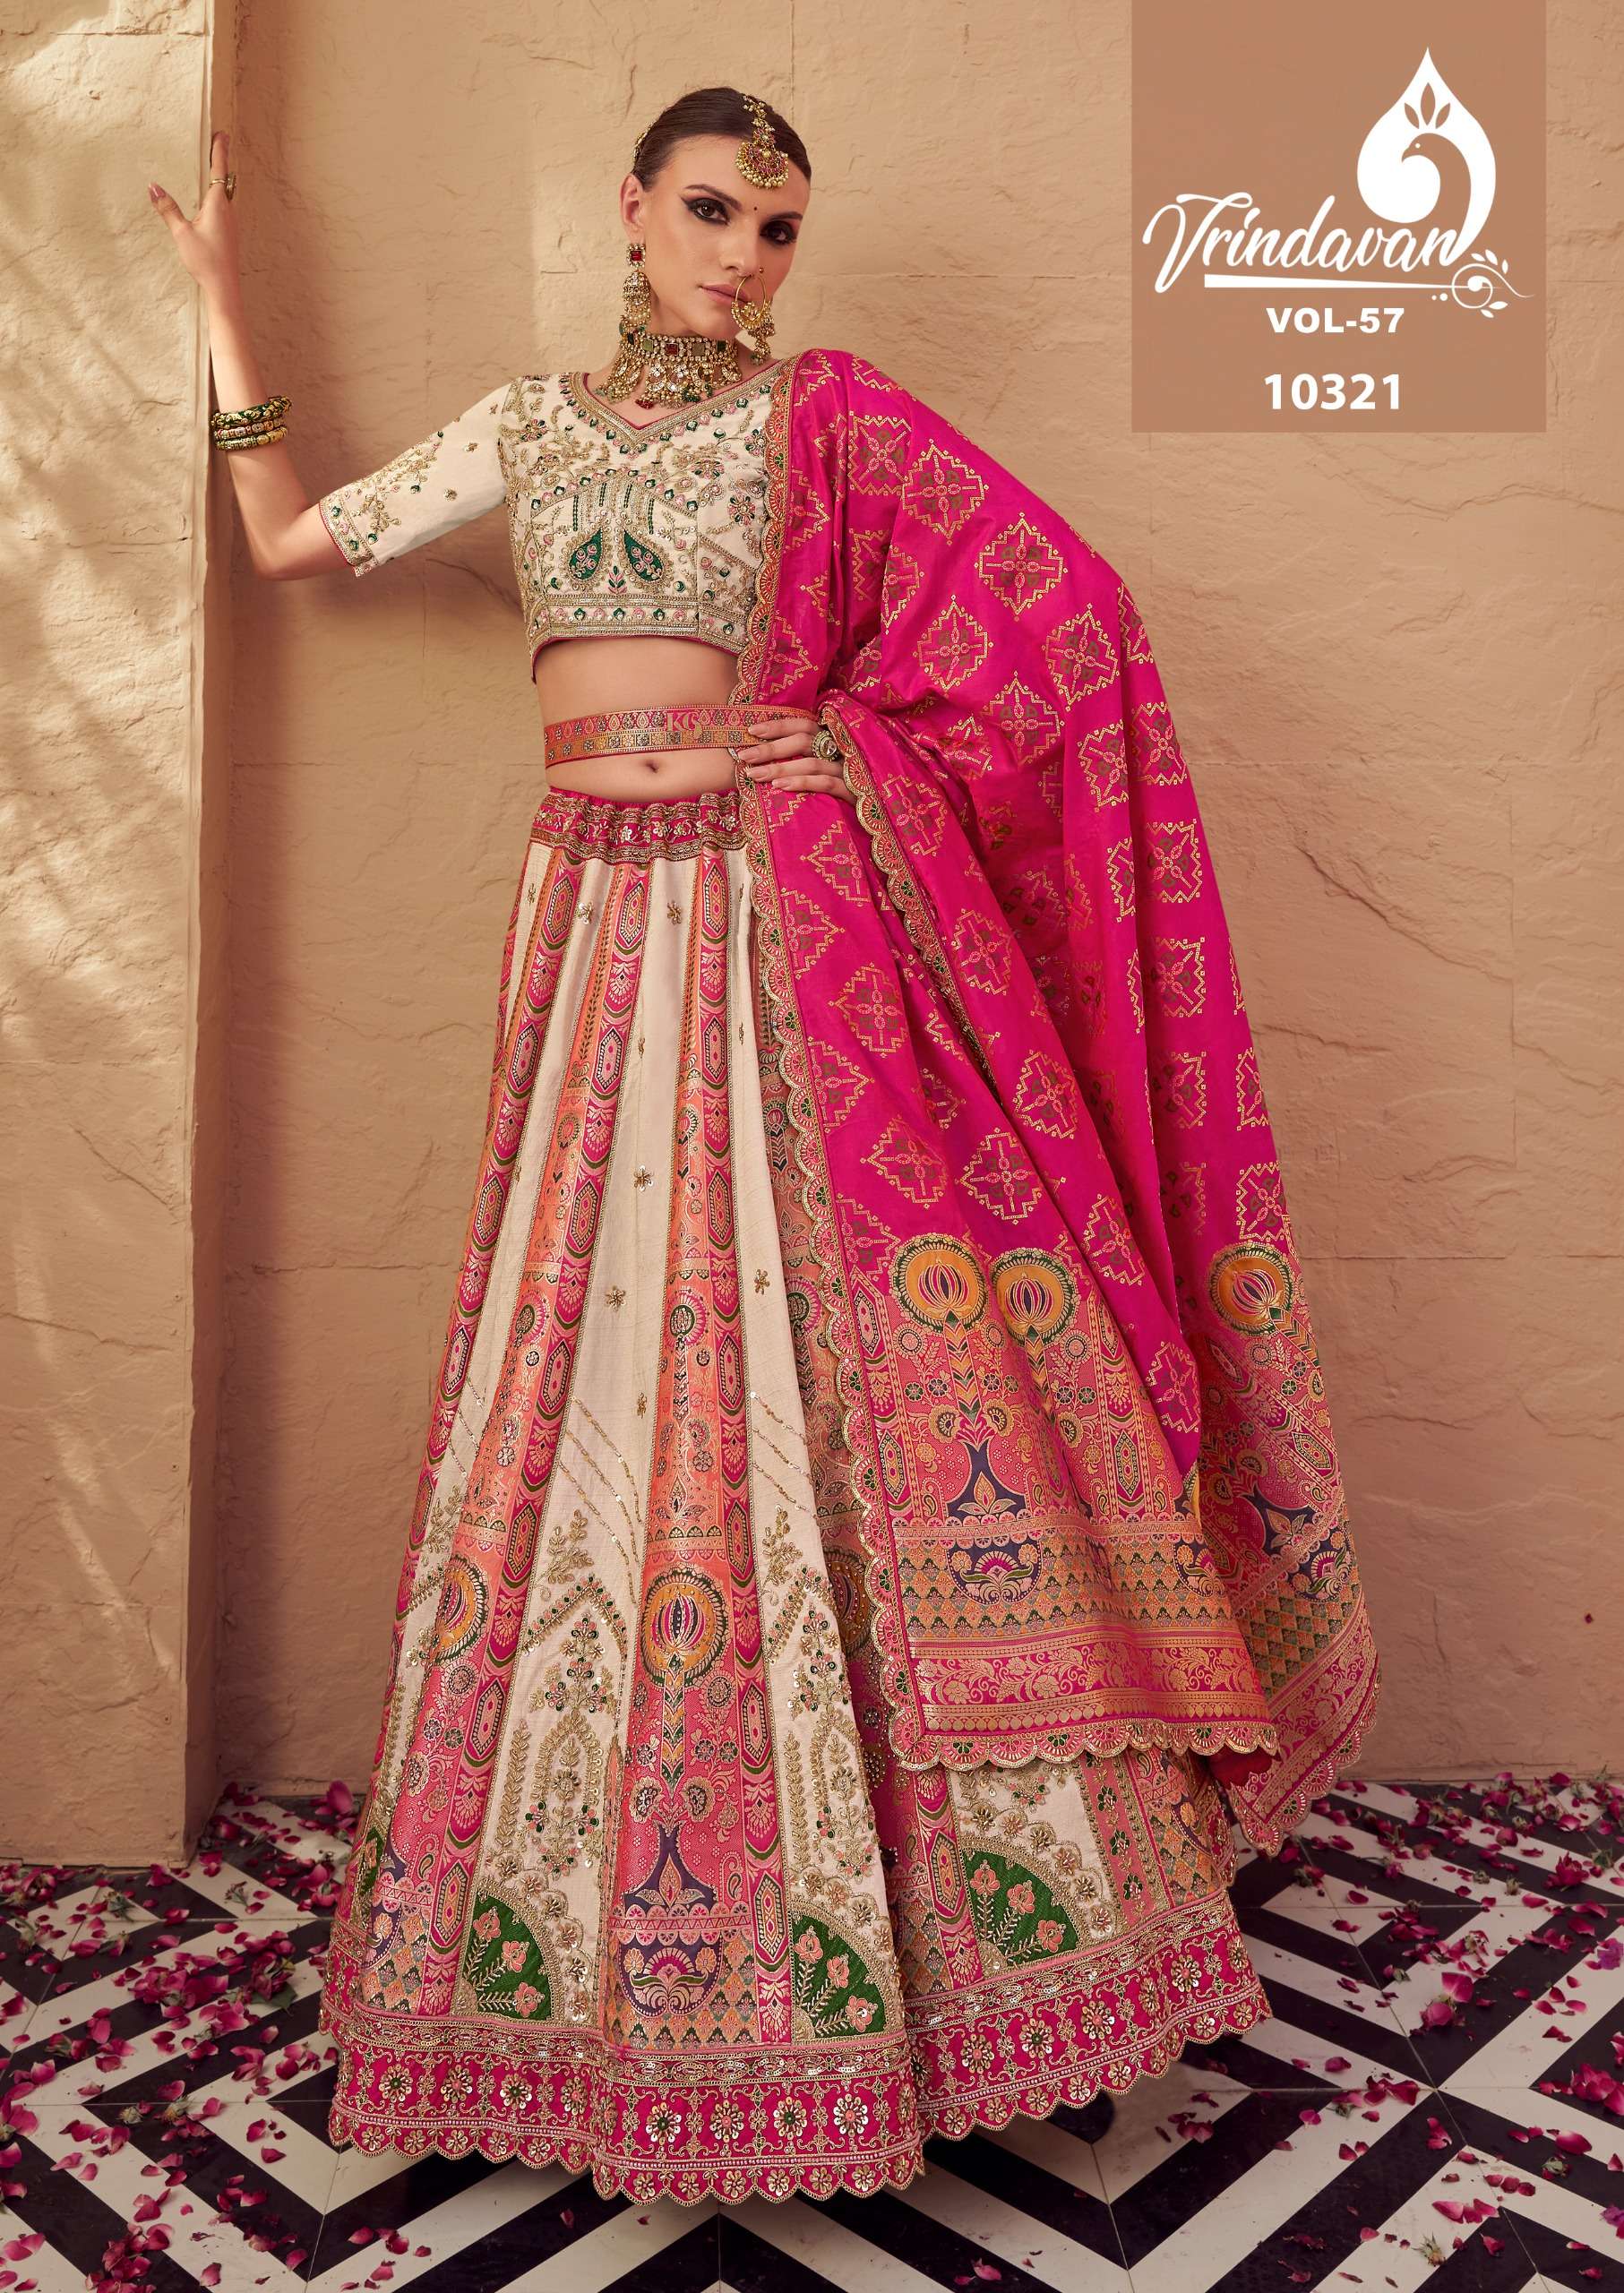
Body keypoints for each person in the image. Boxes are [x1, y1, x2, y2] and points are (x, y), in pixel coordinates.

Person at [150, 84, 1379, 2209]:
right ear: (632, 209)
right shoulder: (530, 426)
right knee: (586, 1372)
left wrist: (855, 745)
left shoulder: (825, 422)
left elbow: (1066, 619)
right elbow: (289, 544)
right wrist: (222, 308)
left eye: (776, 225)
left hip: (763, 916)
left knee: (814, 1377)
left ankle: (932, 1938)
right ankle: (577, 1932)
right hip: (584, 916)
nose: (741, 253)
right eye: (712, 208)